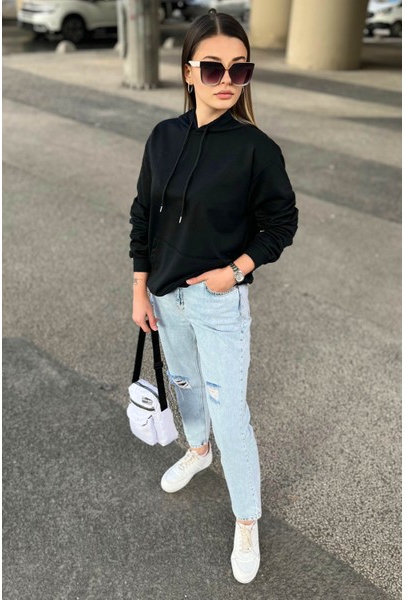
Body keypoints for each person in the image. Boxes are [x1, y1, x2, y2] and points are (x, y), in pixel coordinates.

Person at [129, 9, 298, 584]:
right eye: (212, 68)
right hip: (165, 297)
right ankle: (197, 451)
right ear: (188, 71)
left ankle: (247, 518)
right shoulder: (163, 137)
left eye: (239, 69)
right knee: (185, 385)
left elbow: (282, 222)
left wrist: (236, 270)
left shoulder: (255, 149)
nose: (227, 80)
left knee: (231, 413)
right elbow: (142, 215)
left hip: (218, 301)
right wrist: (140, 289)